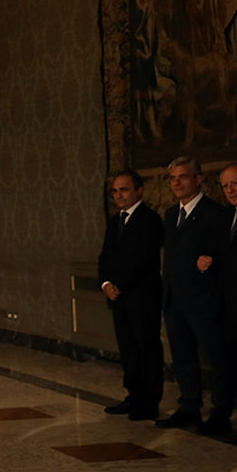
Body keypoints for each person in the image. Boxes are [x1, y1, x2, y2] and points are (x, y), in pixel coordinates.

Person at [157, 156, 230, 434]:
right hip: (174, 302)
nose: (177, 183)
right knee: (183, 358)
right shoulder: (170, 215)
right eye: (173, 178)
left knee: (216, 358)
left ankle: (221, 412)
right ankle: (189, 407)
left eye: (183, 177)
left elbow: (223, 257)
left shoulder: (216, 214)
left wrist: (210, 259)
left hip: (204, 303)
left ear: (198, 180)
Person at [98, 170, 165, 421]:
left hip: (142, 296)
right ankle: (134, 396)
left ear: (138, 191)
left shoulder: (150, 220)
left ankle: (149, 402)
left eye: (123, 190)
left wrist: (120, 285)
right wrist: (106, 283)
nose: (118, 196)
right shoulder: (115, 222)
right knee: (128, 349)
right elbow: (105, 256)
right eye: (115, 191)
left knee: (146, 348)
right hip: (119, 299)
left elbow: (143, 259)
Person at [213, 162, 237, 437]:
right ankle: (221, 413)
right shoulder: (224, 216)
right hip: (226, 307)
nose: (231, 190)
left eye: (235, 183)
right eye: (226, 185)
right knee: (224, 364)